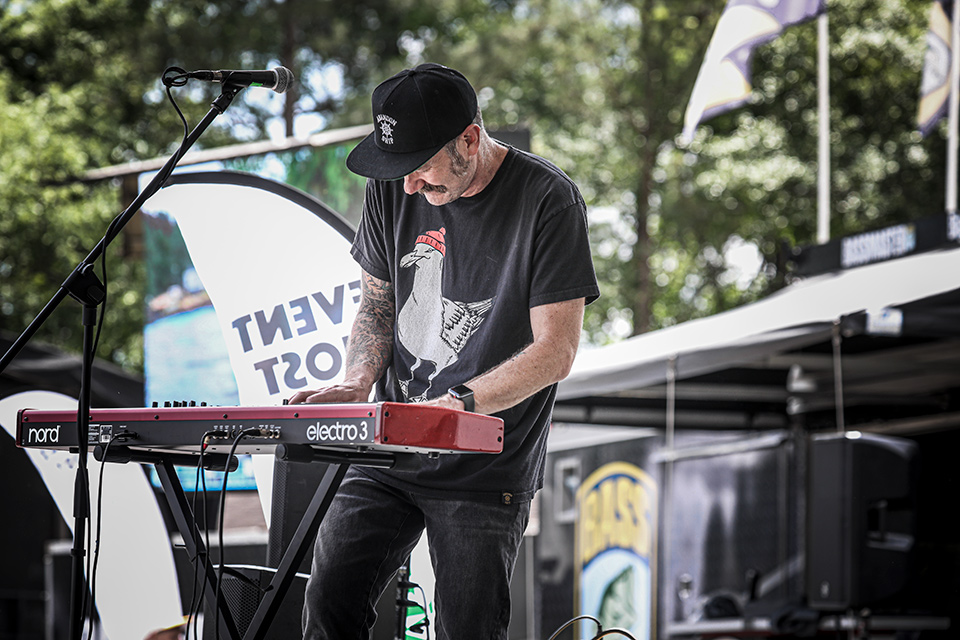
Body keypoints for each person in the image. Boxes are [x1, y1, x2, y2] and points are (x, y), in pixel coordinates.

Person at [291, 62, 599, 639]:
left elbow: (556, 351)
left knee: (467, 629)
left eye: (420, 166)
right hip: (389, 451)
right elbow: (377, 305)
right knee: (329, 598)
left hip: (485, 467)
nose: (408, 185)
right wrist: (356, 381)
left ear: (470, 139)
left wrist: (456, 406)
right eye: (399, 169)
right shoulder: (392, 184)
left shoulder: (548, 199)